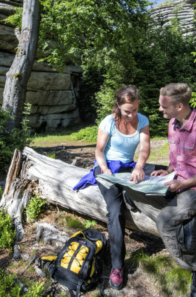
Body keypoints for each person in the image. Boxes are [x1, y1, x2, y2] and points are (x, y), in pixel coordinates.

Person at [73, 86, 166, 290]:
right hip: (107, 169)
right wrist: (104, 168)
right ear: (118, 106)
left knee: (166, 172)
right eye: (127, 111)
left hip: (128, 168)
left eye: (134, 109)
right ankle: (117, 266)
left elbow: (145, 147)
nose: (131, 114)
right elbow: (98, 151)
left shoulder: (142, 120)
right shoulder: (109, 122)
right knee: (115, 211)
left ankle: (136, 196)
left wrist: (140, 166)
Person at [149, 83, 196, 297]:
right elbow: (178, 157)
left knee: (164, 219)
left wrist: (182, 184)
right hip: (179, 181)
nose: (160, 110)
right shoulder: (173, 122)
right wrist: (168, 171)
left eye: (164, 107)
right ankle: (183, 227)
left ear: (179, 106)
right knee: (134, 195)